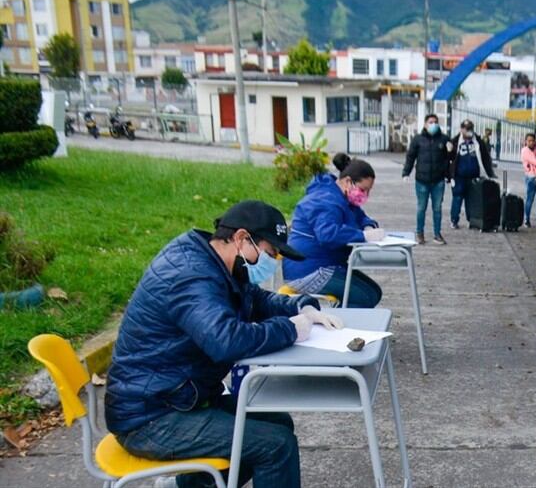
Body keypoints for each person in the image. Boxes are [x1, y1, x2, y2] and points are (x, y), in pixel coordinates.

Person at [105, 200, 345, 488]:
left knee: (278, 423)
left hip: (178, 397)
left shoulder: (218, 262)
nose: (272, 263)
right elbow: (226, 341)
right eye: (270, 254)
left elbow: (256, 299)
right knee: (275, 446)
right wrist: (289, 330)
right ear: (242, 238)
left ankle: (186, 487)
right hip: (150, 416)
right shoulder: (191, 274)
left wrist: (302, 308)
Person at [284, 153, 385, 308]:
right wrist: (363, 236)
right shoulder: (324, 199)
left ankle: (341, 322)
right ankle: (338, 325)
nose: (366, 195)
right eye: (363, 190)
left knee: (374, 292)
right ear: (348, 182)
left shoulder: (342, 197)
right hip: (307, 270)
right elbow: (327, 234)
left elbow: (360, 216)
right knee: (366, 296)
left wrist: (368, 226)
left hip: (325, 264)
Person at [403, 113, 451, 245]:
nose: (433, 124)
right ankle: (419, 233)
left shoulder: (444, 139)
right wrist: (406, 173)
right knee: (421, 208)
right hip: (422, 180)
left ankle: (437, 234)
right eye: (430, 122)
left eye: (435, 122)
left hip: (438, 180)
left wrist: (449, 176)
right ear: (425, 124)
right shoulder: (418, 139)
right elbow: (410, 157)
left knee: (437, 208)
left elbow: (449, 160)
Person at [448, 119, 496, 229]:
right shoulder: (455, 142)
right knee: (457, 198)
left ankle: (472, 220)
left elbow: (485, 157)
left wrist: (489, 172)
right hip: (459, 176)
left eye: (470, 129)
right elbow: (449, 158)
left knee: (472, 199)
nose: (468, 131)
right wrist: (449, 175)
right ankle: (454, 220)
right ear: (461, 129)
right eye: (466, 129)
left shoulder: (478, 141)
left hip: (473, 175)